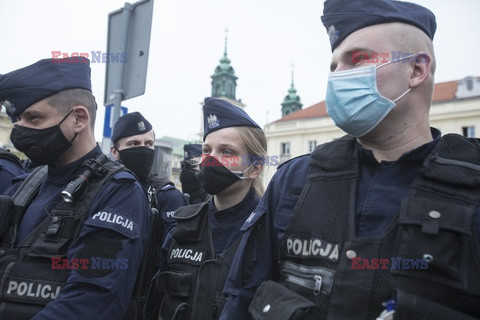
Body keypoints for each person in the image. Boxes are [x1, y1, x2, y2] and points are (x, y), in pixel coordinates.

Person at [221, 1, 480, 319]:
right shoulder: (296, 180)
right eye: (334, 67)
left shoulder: (470, 184)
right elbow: (241, 300)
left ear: (417, 69)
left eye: (357, 59)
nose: (339, 77)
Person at [0, 57, 150, 319]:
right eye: (19, 120)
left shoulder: (118, 192)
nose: (20, 131)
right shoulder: (25, 185)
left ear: (79, 118)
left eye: (34, 119)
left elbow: (93, 301)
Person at [145, 97, 267, 320]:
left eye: (226, 152)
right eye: (206, 150)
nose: (210, 160)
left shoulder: (269, 230)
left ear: (255, 168)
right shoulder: (182, 228)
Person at [111, 111, 187, 243]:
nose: (143, 150)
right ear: (115, 152)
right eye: (134, 144)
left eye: (148, 144)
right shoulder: (104, 190)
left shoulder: (167, 196)